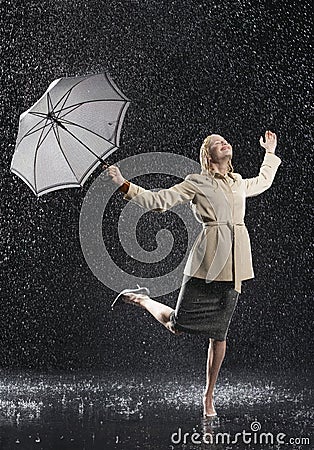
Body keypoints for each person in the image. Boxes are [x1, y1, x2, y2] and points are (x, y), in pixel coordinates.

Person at [106, 131, 282, 417]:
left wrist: (270, 153)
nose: (224, 142)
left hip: (235, 265)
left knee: (219, 333)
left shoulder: (237, 182)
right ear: (207, 155)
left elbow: (263, 182)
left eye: (226, 140)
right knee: (176, 325)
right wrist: (123, 184)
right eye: (216, 142)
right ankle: (140, 299)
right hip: (206, 263)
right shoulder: (196, 182)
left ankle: (208, 396)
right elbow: (159, 201)